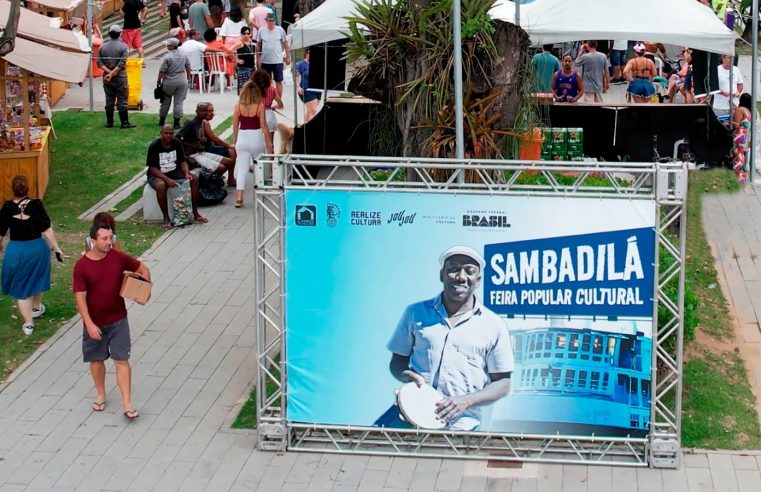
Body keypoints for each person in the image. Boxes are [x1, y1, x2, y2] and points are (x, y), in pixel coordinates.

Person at [375, 246, 514, 431]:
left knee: (444, 461)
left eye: (469, 271)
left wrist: (465, 401)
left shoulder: (494, 325)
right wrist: (405, 375)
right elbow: (397, 362)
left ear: (478, 280)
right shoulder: (415, 313)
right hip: (409, 413)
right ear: (442, 275)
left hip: (461, 424)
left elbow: (503, 383)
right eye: (454, 269)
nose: (461, 277)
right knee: (366, 448)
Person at [73, 222, 152, 420]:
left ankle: (127, 403)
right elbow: (80, 298)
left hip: (118, 320)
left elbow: (142, 268)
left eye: (111, 238)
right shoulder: (82, 266)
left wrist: (144, 290)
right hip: (95, 322)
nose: (109, 242)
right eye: (105, 239)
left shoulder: (117, 257)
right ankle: (101, 393)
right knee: (96, 360)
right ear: (93, 241)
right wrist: (89, 324)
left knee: (122, 360)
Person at [0, 175, 63, 336]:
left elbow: (0, 232)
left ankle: (28, 324)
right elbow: (47, 229)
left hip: (16, 251)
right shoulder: (36, 205)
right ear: (28, 188)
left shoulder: (7, 208)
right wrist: (56, 248)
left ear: (12, 189)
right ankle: (36, 306)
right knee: (38, 277)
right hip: (37, 249)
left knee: (21, 288)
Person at [147, 125, 208, 228]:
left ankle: (195, 213)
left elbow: (182, 161)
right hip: (158, 174)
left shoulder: (176, 144)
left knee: (194, 179)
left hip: (174, 171)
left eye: (171, 133)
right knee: (161, 186)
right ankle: (166, 218)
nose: (169, 136)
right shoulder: (154, 146)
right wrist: (167, 180)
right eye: (166, 133)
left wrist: (186, 173)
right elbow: (152, 168)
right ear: (161, 133)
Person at [232, 81, 273, 208]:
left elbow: (235, 125)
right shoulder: (259, 106)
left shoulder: (238, 105)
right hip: (256, 137)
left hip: (242, 138)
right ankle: (261, 193)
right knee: (259, 166)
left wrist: (235, 140)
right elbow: (264, 125)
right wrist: (269, 142)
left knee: (242, 169)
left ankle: (239, 197)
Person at [177, 102, 236, 186]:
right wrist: (192, 147)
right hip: (193, 155)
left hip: (201, 152)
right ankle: (211, 183)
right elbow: (177, 138)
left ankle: (216, 180)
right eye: (203, 111)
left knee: (229, 162)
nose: (206, 113)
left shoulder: (201, 122)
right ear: (197, 112)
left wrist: (202, 141)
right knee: (222, 167)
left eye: (206, 111)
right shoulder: (191, 122)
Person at [97, 25, 136, 129]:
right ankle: (124, 122)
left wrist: (108, 73)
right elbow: (121, 64)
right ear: (119, 33)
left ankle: (110, 123)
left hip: (106, 78)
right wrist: (113, 73)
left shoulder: (102, 46)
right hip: (120, 77)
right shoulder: (123, 47)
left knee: (109, 99)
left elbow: (99, 62)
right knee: (122, 100)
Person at [157, 38, 190, 129]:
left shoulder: (167, 57)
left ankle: (162, 120)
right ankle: (176, 122)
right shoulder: (184, 54)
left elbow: (162, 70)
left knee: (165, 101)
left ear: (172, 46)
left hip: (169, 81)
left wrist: (158, 80)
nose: (167, 46)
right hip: (182, 81)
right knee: (178, 102)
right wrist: (189, 78)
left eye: (168, 45)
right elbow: (188, 67)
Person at [256, 12, 290, 97]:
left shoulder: (280, 30)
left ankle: (279, 100)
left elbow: (285, 44)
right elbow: (258, 45)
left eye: (272, 21)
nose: (271, 22)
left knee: (278, 81)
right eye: (269, 21)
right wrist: (258, 59)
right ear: (266, 21)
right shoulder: (261, 30)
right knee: (266, 81)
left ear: (275, 21)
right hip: (265, 60)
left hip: (277, 60)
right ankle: (267, 99)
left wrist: (288, 57)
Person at [252, 69, 284, 145]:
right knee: (270, 144)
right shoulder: (272, 89)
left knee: (257, 144)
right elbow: (280, 104)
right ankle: (271, 157)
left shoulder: (253, 90)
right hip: (269, 115)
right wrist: (273, 107)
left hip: (257, 116)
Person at [713, 54, 743, 118]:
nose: (732, 59)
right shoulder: (716, 70)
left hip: (734, 105)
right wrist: (722, 93)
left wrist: (738, 91)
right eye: (729, 57)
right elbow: (712, 87)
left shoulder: (736, 70)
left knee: (734, 125)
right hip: (720, 106)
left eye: (733, 57)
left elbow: (740, 84)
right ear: (723, 58)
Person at [732, 93, 753, 183]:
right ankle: (743, 179)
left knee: (738, 159)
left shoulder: (740, 110)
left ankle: (739, 180)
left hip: (740, 139)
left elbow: (736, 125)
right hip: (749, 139)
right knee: (744, 160)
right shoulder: (752, 112)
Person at [295, 48, 319, 123]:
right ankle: (311, 131)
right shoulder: (300, 64)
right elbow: (295, 76)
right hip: (305, 90)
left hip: (317, 90)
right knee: (313, 111)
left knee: (310, 111)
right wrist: (298, 87)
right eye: (308, 52)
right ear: (306, 53)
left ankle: (305, 128)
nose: (310, 54)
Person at [233, 26, 257, 93]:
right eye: (244, 33)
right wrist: (237, 60)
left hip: (252, 68)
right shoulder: (240, 43)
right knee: (243, 89)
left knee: (252, 89)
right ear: (241, 34)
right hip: (243, 69)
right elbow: (230, 50)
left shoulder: (252, 43)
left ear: (250, 34)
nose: (246, 35)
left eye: (247, 33)